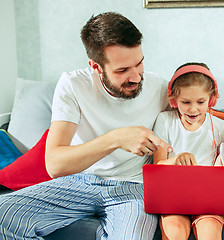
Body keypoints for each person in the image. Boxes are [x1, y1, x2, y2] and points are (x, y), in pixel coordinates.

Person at [0, 12, 172, 239]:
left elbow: (199, 112)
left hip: (134, 188)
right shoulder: (72, 85)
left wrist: (207, 93)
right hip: (79, 182)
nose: (137, 77)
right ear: (96, 66)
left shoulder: (159, 87)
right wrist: (116, 138)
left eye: (139, 64)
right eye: (122, 70)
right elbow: (55, 165)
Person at [153, 62, 224, 239]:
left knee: (209, 231)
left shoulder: (220, 127)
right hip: (173, 197)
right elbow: (157, 165)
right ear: (173, 101)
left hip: (208, 198)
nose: (193, 109)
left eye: (201, 102)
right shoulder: (165, 120)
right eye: (185, 102)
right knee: (174, 232)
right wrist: (175, 159)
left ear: (211, 100)